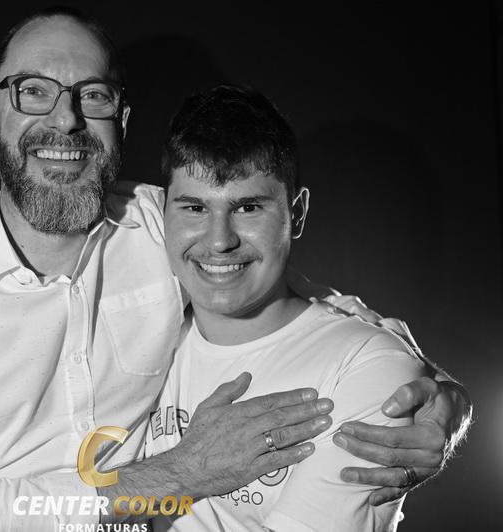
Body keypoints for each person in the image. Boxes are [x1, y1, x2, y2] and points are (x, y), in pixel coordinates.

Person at [0, 7, 470, 531]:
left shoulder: (162, 221)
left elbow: (299, 301)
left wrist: (443, 396)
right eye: (33, 90)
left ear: (120, 122)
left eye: (92, 95)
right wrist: (180, 474)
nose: (66, 119)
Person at [145, 84, 427, 531]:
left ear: (297, 212)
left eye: (248, 207)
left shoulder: (366, 365)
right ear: (162, 211)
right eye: (195, 207)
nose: (219, 241)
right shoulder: (140, 335)